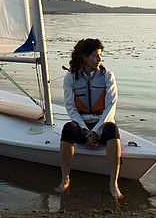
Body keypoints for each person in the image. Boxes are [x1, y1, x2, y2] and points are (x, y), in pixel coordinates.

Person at [55, 38, 123, 199]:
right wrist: (85, 129)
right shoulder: (71, 77)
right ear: (84, 58)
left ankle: (113, 183)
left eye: (100, 55)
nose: (99, 59)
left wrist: (97, 131)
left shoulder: (107, 76)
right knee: (68, 128)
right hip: (82, 125)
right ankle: (65, 179)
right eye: (95, 56)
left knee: (112, 129)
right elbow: (70, 107)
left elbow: (111, 107)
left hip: (102, 123)